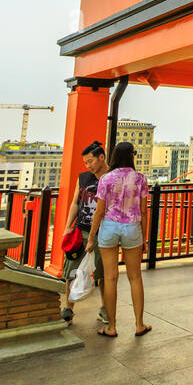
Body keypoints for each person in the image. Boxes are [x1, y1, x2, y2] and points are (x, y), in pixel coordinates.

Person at [88, 140, 152, 337]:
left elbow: (99, 211)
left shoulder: (106, 179)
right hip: (132, 228)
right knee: (135, 277)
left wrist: (91, 237)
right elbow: (143, 210)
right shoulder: (140, 178)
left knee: (110, 278)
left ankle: (111, 327)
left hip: (109, 227)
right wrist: (145, 238)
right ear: (132, 156)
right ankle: (139, 324)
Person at [61, 141, 111, 326]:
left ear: (101, 157)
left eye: (90, 161)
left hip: (102, 233)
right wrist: (68, 226)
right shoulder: (83, 178)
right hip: (80, 230)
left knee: (102, 274)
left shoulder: (112, 178)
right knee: (71, 269)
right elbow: (75, 203)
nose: (88, 165)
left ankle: (105, 309)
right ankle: (68, 308)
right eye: (85, 163)